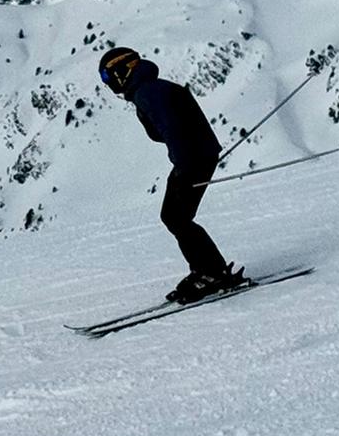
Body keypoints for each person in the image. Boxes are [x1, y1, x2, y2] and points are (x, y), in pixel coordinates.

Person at [98, 46, 243, 303]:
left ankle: (211, 272)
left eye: (108, 77)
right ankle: (207, 269)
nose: (108, 84)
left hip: (192, 159)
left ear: (123, 70)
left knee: (176, 217)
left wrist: (184, 164)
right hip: (195, 156)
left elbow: (173, 129)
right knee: (175, 216)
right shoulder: (149, 90)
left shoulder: (148, 93)